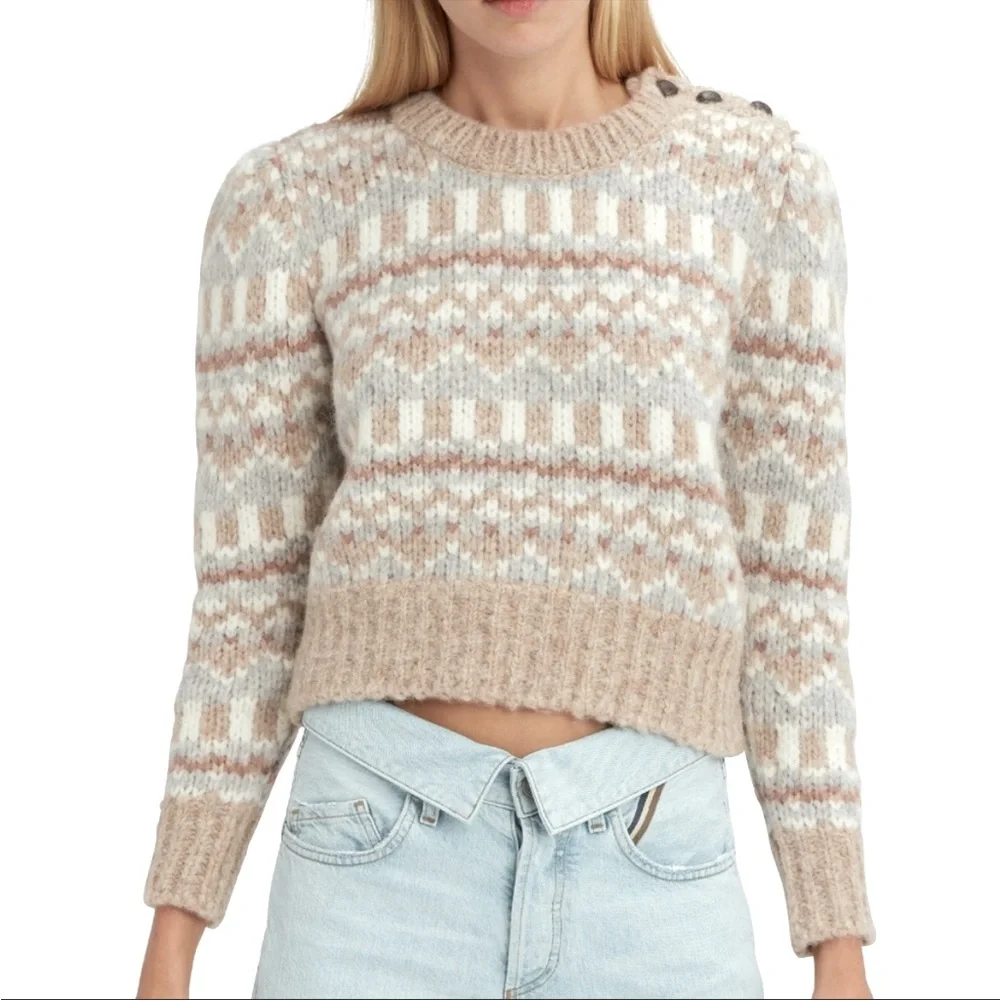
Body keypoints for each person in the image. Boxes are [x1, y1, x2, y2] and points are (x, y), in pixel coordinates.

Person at [137, 1, 876, 997]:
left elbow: (794, 589)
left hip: (655, 871)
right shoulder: (289, 200)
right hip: (369, 870)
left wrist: (836, 937)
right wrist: (174, 935)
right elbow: (250, 593)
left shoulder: (760, 182)